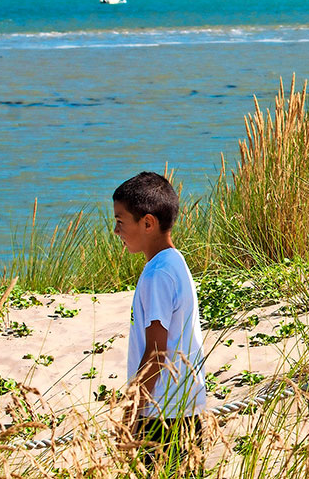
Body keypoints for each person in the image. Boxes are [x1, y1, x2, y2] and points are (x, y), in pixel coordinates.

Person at [112, 171, 206, 468]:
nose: (116, 230)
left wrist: (131, 412)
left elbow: (156, 353)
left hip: (161, 417)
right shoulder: (175, 261)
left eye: (120, 221)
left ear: (148, 223)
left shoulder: (157, 274)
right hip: (184, 410)